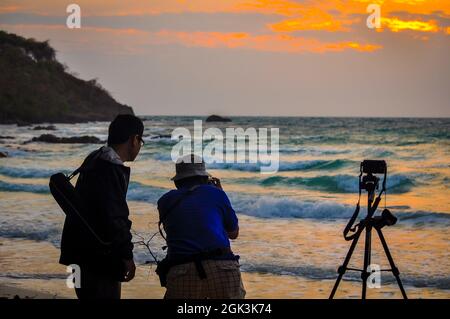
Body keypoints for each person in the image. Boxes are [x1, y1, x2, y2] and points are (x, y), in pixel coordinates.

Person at [59, 114, 144, 299]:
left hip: (77, 252)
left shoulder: (95, 158)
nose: (139, 147)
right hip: (97, 259)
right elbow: (115, 217)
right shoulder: (110, 167)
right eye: (141, 141)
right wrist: (127, 256)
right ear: (134, 139)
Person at [157, 154, 245, 299]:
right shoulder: (217, 194)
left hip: (182, 271)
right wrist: (220, 192)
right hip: (222, 268)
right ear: (204, 178)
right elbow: (233, 233)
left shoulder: (165, 201)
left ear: (177, 181)